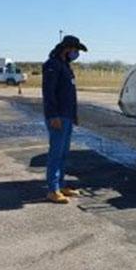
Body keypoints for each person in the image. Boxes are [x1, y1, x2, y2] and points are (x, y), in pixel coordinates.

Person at [42, 34, 87, 204]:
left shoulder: (65, 66)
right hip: (58, 116)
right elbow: (49, 92)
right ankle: (52, 190)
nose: (76, 54)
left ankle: (60, 185)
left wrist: (74, 115)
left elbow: (70, 93)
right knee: (56, 153)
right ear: (66, 49)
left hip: (67, 115)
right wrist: (53, 115)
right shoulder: (52, 65)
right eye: (75, 50)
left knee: (63, 154)